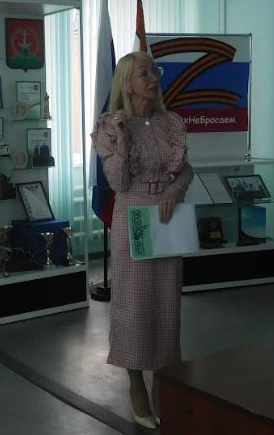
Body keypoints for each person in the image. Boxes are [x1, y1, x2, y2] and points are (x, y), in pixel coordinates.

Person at [91, 51, 193, 429]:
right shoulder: (110, 126)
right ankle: (135, 384)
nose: (153, 78)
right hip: (132, 213)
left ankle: (163, 382)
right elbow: (117, 182)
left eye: (155, 71)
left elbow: (186, 171)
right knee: (134, 305)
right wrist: (121, 140)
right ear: (127, 82)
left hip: (166, 217)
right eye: (144, 73)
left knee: (166, 305)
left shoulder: (171, 123)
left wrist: (173, 191)